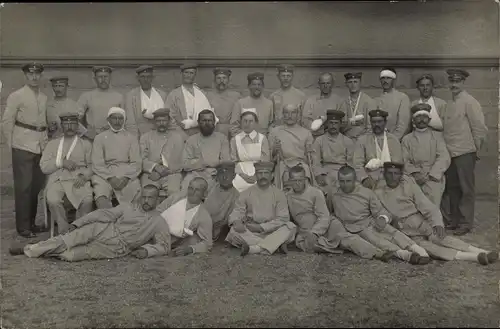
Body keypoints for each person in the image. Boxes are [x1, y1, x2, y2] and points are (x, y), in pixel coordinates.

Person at [374, 162, 498, 265]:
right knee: (431, 248)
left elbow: (427, 206)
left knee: (441, 238)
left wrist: (437, 223)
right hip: (405, 231)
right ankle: (474, 258)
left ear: (401, 175)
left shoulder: (409, 186)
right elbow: (383, 213)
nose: (393, 177)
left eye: (396, 174)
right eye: (389, 173)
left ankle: (481, 251)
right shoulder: (379, 193)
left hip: (420, 222)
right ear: (384, 175)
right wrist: (383, 218)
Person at [9, 185, 172, 261]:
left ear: (157, 199)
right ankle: (28, 250)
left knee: (69, 255)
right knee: (67, 240)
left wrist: (147, 251)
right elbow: (102, 213)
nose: (146, 200)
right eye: (144, 196)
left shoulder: (159, 221)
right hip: (102, 229)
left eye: (150, 198)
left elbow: (164, 246)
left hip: (116, 248)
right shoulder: (128, 207)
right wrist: (77, 223)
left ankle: (38, 247)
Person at [286, 165, 394, 262]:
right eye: (294, 181)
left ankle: (377, 253)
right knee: (312, 245)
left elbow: (324, 215)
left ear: (305, 179)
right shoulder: (287, 196)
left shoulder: (315, 193)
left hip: (327, 225)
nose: (297, 183)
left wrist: (315, 232)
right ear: (289, 181)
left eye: (300, 180)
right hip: (306, 231)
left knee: (345, 238)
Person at [326, 165, 429, 265]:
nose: (345, 184)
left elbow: (380, 211)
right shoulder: (333, 193)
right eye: (342, 181)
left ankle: (418, 249)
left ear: (354, 180)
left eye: (348, 181)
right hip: (354, 228)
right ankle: (405, 255)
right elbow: (329, 211)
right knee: (376, 240)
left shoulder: (366, 193)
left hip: (370, 221)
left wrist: (382, 218)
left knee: (390, 231)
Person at [1, 62, 48, 238]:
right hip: (22, 144)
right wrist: (12, 144)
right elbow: (7, 122)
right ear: (25, 76)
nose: (34, 77)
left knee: (35, 187)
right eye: (31, 74)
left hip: (39, 145)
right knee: (23, 187)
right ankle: (23, 227)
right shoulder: (16, 96)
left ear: (40, 76)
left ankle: (32, 223)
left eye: (37, 74)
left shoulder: (43, 97)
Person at [441, 68, 488, 235]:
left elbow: (479, 128)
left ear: (463, 82)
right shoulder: (448, 104)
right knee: (453, 188)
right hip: (450, 153)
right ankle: (454, 221)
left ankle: (465, 223)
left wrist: (475, 151)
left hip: (465, 152)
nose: (454, 84)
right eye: (451, 81)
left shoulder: (470, 102)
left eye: (457, 81)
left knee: (466, 188)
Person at [225, 161, 296, 256]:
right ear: (255, 175)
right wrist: (236, 221)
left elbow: (283, 218)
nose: (263, 176)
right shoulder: (246, 193)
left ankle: (254, 249)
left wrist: (262, 227)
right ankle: (275, 245)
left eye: (266, 173)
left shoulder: (279, 194)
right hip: (251, 231)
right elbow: (237, 211)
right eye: (259, 173)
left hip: (273, 231)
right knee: (233, 231)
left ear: (271, 176)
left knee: (290, 227)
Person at [40, 113, 94, 234]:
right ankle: (63, 231)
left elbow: (92, 165)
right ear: (62, 126)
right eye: (66, 124)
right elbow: (44, 166)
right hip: (57, 179)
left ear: (77, 126)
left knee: (87, 200)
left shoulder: (85, 144)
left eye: (73, 124)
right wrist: (61, 163)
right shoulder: (52, 144)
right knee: (53, 200)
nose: (69, 127)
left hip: (77, 179)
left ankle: (79, 230)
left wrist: (84, 176)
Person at [92, 107, 142, 209]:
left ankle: (128, 221)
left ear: (124, 120)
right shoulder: (100, 138)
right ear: (108, 120)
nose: (117, 121)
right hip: (104, 173)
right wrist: (110, 178)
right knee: (101, 197)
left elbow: (136, 162)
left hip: (126, 172)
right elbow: (97, 163)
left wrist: (126, 178)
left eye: (120, 118)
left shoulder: (131, 138)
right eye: (114, 118)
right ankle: (108, 222)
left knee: (135, 192)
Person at [401, 104, 450, 206]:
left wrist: (431, 175)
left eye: (425, 117)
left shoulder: (437, 137)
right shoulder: (407, 139)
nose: (422, 120)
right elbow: (403, 159)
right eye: (418, 117)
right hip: (413, 177)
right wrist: (415, 173)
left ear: (429, 119)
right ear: (413, 120)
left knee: (432, 208)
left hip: (432, 177)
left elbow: (443, 157)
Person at [156, 177, 213, 256]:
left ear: (204, 194)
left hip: (171, 241)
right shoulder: (176, 198)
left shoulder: (204, 215)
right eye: (190, 188)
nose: (192, 192)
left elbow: (208, 243)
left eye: (197, 190)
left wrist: (190, 249)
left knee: (194, 239)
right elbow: (158, 211)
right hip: (155, 229)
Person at [139, 108, 184, 203]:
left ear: (169, 121)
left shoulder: (177, 137)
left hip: (172, 173)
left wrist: (160, 173)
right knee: (147, 193)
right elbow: (141, 159)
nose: (161, 123)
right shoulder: (145, 137)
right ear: (154, 122)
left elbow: (179, 161)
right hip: (150, 173)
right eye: (158, 121)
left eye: (164, 120)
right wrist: (155, 167)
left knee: (175, 194)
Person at [181, 109, 231, 192]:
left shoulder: (222, 138)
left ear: (214, 122)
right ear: (198, 122)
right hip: (195, 174)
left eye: (210, 120)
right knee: (186, 189)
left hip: (215, 174)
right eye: (204, 120)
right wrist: (203, 163)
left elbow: (226, 161)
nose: (207, 123)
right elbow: (185, 164)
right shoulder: (191, 140)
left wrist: (202, 162)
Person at [352, 108, 403, 189]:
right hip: (370, 177)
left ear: (385, 122)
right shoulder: (362, 140)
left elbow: (398, 163)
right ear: (370, 123)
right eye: (374, 122)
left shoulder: (393, 140)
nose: (376, 125)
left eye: (379, 122)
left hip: (390, 177)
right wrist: (364, 179)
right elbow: (357, 165)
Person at [269, 104, 314, 190]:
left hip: (301, 165)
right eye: (287, 113)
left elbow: (311, 157)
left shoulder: (306, 133)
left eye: (293, 113)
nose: (290, 116)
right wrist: (275, 148)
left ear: (298, 115)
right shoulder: (275, 132)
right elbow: (270, 156)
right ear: (283, 114)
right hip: (283, 164)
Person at [165, 63, 217, 137]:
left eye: (191, 73)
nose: (188, 75)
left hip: (200, 133)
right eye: (186, 72)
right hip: (180, 134)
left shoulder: (202, 94)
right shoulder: (174, 95)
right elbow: (170, 117)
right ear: (182, 74)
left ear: (195, 75)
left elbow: (209, 113)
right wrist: (180, 133)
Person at [312, 109, 355, 193]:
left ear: (340, 124)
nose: (333, 126)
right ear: (327, 124)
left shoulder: (347, 141)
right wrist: (319, 174)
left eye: (336, 123)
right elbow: (315, 161)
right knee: (321, 190)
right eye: (331, 123)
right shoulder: (319, 140)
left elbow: (351, 163)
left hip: (342, 172)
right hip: (325, 172)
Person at [77, 66, 124, 140]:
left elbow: (126, 120)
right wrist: (86, 132)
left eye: (105, 77)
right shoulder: (87, 96)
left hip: (114, 137)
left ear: (110, 78)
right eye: (100, 77)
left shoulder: (119, 97)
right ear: (95, 79)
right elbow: (75, 118)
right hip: (93, 138)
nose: (103, 80)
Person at [230, 108, 271, 192]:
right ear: (240, 122)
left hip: (259, 173)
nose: (247, 124)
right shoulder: (235, 139)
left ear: (255, 123)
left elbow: (265, 161)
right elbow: (233, 161)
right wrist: (243, 175)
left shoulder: (262, 139)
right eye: (245, 121)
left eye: (250, 121)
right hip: (240, 174)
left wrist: (257, 175)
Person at [124, 65, 167, 136]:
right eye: (143, 77)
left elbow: (167, 118)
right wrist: (135, 139)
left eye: (148, 77)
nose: (145, 79)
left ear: (152, 78)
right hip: (141, 135)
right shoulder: (131, 96)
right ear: (138, 78)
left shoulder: (162, 95)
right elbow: (130, 122)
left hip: (160, 134)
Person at [204, 162, 240, 242]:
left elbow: (231, 219)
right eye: (221, 173)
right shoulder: (210, 190)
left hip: (219, 230)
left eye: (228, 174)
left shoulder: (236, 196)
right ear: (217, 176)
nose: (224, 177)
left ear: (234, 176)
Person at [230, 72, 274, 137]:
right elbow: (233, 127)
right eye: (254, 84)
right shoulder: (240, 103)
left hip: (263, 142)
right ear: (249, 86)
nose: (257, 87)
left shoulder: (269, 104)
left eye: (259, 84)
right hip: (245, 141)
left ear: (263, 86)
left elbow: (271, 125)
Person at [302, 72, 343, 139]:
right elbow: (305, 122)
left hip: (334, 139)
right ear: (319, 84)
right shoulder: (311, 101)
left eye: (328, 83)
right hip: (315, 138)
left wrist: (328, 126)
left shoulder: (339, 101)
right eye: (323, 83)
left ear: (332, 84)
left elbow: (343, 123)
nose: (325, 86)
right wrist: (320, 127)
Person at [374, 68, 411, 140]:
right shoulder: (375, 100)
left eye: (388, 78)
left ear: (393, 80)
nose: (385, 81)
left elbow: (403, 125)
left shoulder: (402, 98)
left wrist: (392, 140)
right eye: (383, 78)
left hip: (395, 140)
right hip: (378, 140)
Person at [206, 67, 241, 138]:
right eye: (218, 78)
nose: (221, 81)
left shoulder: (236, 96)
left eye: (224, 78)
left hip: (231, 132)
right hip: (213, 131)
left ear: (228, 80)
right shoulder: (208, 96)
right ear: (215, 80)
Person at [338, 72, 375, 140]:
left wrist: (362, 140)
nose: (353, 85)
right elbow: (340, 126)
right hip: (346, 140)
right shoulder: (343, 102)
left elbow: (371, 127)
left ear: (360, 83)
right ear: (346, 84)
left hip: (363, 140)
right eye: (350, 82)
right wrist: (352, 122)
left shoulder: (368, 101)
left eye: (355, 82)